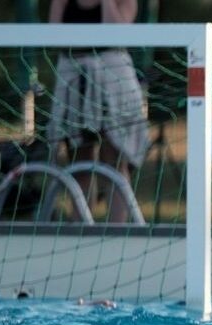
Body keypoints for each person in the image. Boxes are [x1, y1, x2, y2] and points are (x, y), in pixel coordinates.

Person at [47, 0, 149, 223]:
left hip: (112, 82)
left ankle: (117, 228)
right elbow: (53, 34)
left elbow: (115, 34)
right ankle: (81, 223)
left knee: (113, 158)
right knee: (79, 157)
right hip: (74, 80)